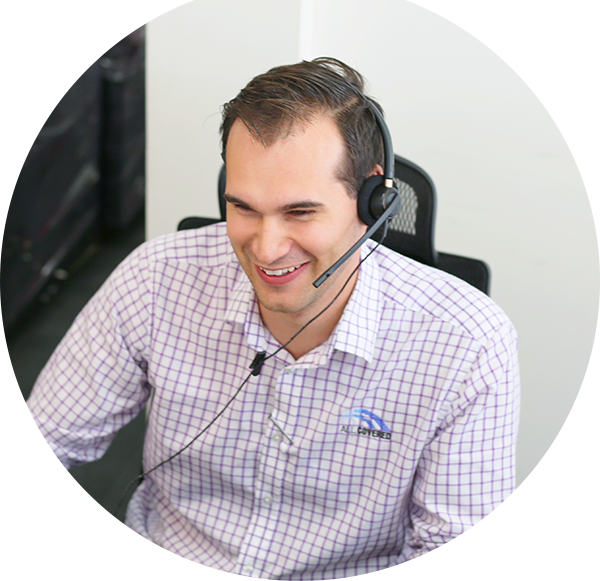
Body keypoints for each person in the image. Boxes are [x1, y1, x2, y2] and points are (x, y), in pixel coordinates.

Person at [0, 58, 519, 581]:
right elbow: (33, 444)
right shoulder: (158, 278)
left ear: (374, 199)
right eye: (244, 208)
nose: (266, 249)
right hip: (169, 567)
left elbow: (459, 550)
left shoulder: (467, 341)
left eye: (299, 212)